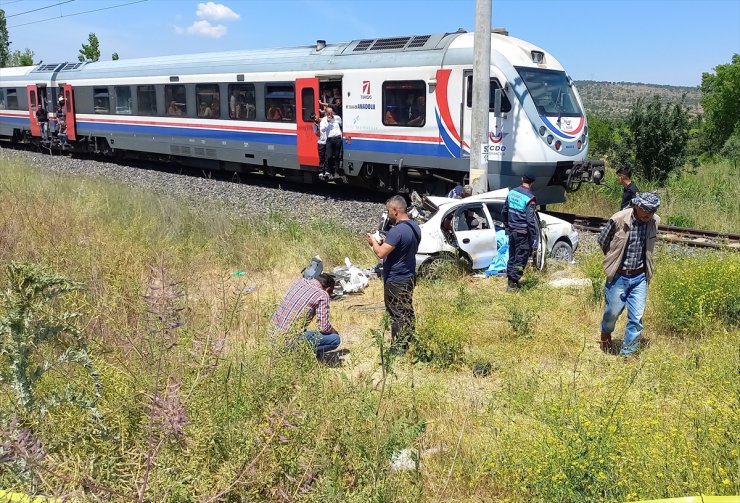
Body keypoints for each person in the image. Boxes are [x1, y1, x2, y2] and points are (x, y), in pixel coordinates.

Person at [597, 192, 661, 357]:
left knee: (636, 317)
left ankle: (628, 352)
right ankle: (605, 333)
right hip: (618, 275)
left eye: (652, 211)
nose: (649, 214)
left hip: (639, 277)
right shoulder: (619, 219)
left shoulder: (654, 222)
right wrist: (612, 258)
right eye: (646, 210)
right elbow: (602, 240)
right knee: (612, 312)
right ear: (637, 206)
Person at [366, 195, 421, 353]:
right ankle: (409, 339)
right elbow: (404, 248)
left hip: (396, 279)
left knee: (396, 312)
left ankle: (398, 349)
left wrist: (373, 243)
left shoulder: (396, 231)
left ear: (395, 211)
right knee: (407, 309)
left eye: (388, 210)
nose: (387, 213)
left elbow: (381, 254)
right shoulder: (414, 226)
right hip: (409, 275)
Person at [270, 273, 341, 356]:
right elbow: (324, 328)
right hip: (287, 341)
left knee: (306, 330)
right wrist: (334, 331)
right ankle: (298, 356)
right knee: (335, 339)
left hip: (272, 336)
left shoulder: (298, 282)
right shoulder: (322, 294)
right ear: (328, 289)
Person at [501, 174, 539, 291]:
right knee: (521, 258)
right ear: (532, 182)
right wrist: (534, 235)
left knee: (512, 256)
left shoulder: (512, 193)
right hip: (523, 233)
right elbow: (530, 219)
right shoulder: (530, 198)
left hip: (512, 231)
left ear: (522, 179)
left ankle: (510, 281)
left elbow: (504, 211)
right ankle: (513, 285)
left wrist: (508, 226)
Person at [319, 106, 342, 180]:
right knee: (328, 156)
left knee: (337, 156)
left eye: (331, 112)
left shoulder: (337, 117)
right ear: (326, 113)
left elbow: (341, 124)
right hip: (329, 139)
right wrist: (328, 122)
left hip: (337, 138)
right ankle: (328, 171)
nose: (330, 114)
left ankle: (336, 172)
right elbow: (322, 129)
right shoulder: (324, 120)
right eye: (329, 113)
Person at [312, 108, 327, 176]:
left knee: (328, 157)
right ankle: (321, 172)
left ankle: (327, 171)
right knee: (321, 157)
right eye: (313, 119)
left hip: (328, 141)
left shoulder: (324, 120)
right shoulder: (314, 125)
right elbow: (317, 134)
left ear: (317, 115)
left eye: (315, 117)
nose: (315, 119)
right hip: (321, 142)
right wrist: (319, 126)